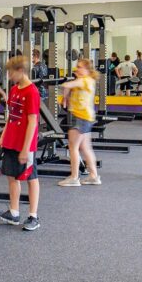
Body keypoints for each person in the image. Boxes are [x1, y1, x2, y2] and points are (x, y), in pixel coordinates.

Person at [0, 55, 41, 231]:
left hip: (25, 143)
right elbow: (10, 117)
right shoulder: (14, 90)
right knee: (11, 176)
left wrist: (26, 148)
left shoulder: (32, 92)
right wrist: (2, 137)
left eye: (11, 73)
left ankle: (33, 216)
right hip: (11, 141)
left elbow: (32, 122)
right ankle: (14, 213)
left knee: (31, 177)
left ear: (20, 71)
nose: (9, 76)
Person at [57, 58, 101, 188]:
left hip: (81, 117)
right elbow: (68, 86)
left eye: (80, 67)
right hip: (85, 117)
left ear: (87, 70)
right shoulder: (83, 81)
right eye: (77, 66)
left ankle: (74, 177)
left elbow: (65, 85)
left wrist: (65, 95)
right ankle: (93, 176)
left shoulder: (85, 80)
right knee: (86, 148)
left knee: (73, 147)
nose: (77, 69)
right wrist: (65, 98)